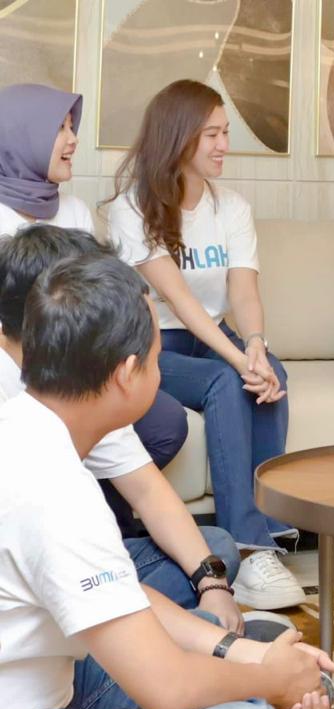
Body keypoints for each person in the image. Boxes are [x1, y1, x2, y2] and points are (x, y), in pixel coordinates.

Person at [0, 253, 333, 709]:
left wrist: (246, 654)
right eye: (156, 359)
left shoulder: (26, 427)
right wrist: (271, 679)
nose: (159, 374)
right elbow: (166, 690)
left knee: (236, 656)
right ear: (128, 374)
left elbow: (123, 598)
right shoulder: (53, 486)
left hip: (53, 678)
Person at [105, 79, 305, 610]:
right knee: (226, 379)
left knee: (273, 373)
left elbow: (244, 291)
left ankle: (269, 532)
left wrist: (256, 346)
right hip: (152, 344)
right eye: (212, 134)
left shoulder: (231, 207)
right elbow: (181, 302)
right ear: (179, 137)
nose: (224, 145)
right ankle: (245, 544)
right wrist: (239, 361)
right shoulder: (131, 209)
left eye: (225, 132)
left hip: (216, 335)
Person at [0, 226, 244, 632]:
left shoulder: (76, 384)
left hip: (68, 585)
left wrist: (212, 583)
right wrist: (219, 645)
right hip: (32, 625)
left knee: (214, 549)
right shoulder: (41, 458)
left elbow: (147, 490)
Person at [0, 81, 188, 536]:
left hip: (86, 363)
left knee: (166, 422)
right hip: (23, 368)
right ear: (22, 135)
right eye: (59, 129)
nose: (73, 139)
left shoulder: (75, 211)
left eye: (72, 127)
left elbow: (102, 296)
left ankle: (104, 528)